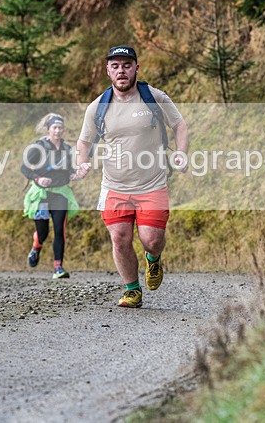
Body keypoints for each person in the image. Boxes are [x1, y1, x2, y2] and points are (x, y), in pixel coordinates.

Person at [75, 46, 188, 308]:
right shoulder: (97, 107)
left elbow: (179, 125)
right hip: (113, 186)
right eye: (115, 66)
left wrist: (181, 153)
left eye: (127, 65)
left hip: (152, 184)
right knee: (120, 238)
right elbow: (84, 141)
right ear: (108, 71)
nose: (121, 70)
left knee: (152, 240)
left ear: (137, 68)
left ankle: (153, 259)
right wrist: (82, 163)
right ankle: (132, 290)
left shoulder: (154, 98)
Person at [21, 114, 80, 279]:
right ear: (49, 129)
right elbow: (24, 168)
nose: (58, 130)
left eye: (60, 127)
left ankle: (58, 267)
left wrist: (74, 174)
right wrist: (38, 178)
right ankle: (36, 246)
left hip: (61, 193)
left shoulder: (67, 148)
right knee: (43, 232)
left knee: (60, 230)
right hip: (42, 195)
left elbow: (69, 169)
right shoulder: (39, 147)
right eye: (55, 127)